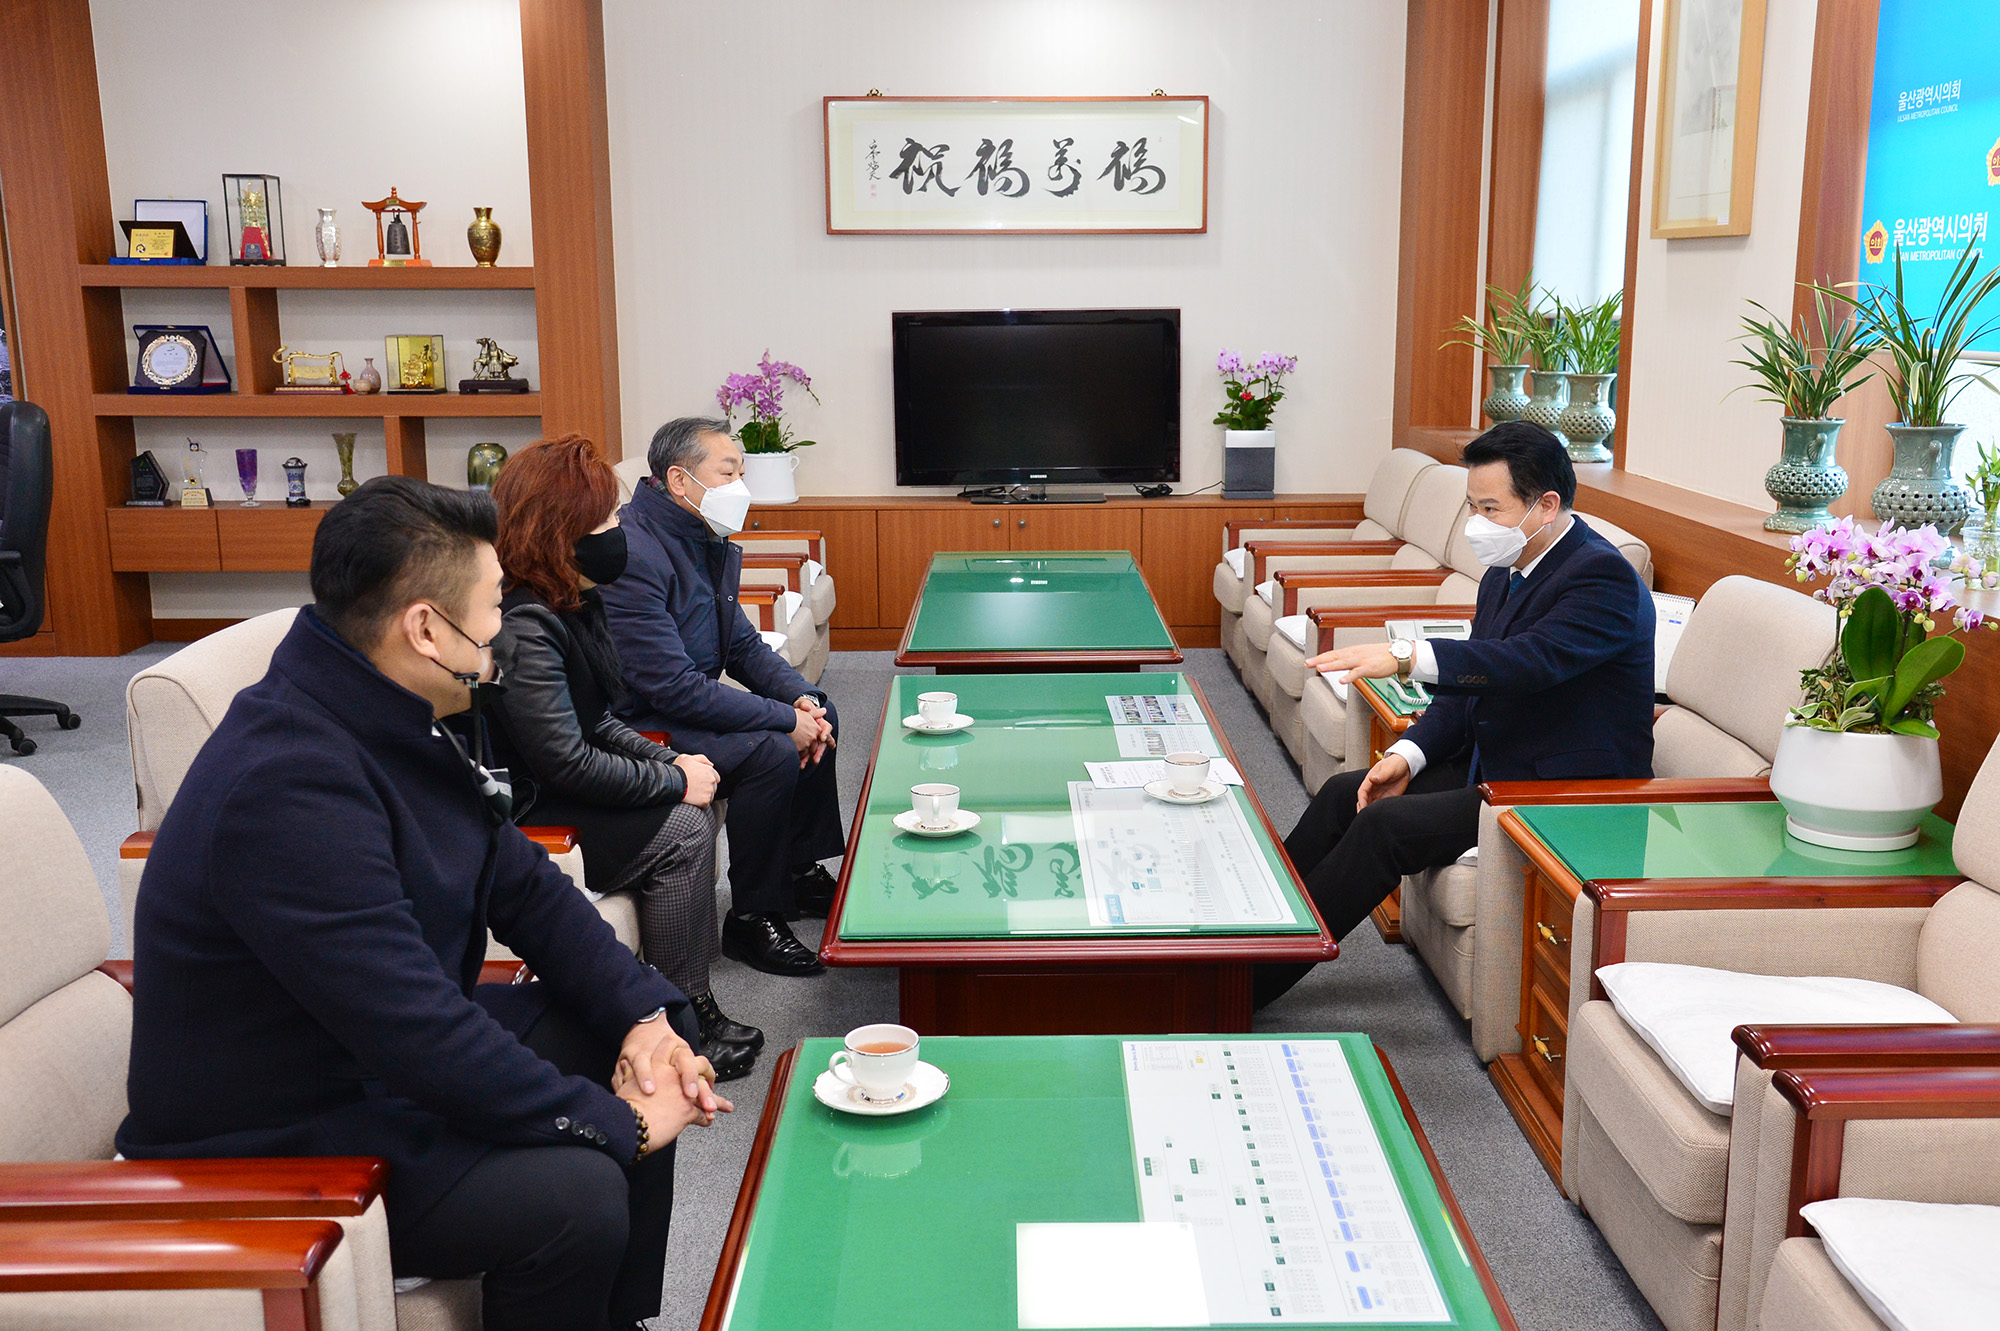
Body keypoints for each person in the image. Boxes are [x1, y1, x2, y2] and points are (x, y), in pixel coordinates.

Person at [118, 476, 731, 1331]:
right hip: (275, 1128)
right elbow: (414, 1031)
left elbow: (519, 880)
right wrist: (616, 1123)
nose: (499, 636)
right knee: (578, 1192)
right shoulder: (286, 784)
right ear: (424, 626)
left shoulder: (385, 701)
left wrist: (644, 1017)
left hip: (358, 1052)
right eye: (490, 611)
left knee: (650, 1029)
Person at [1256, 421, 1655, 1008]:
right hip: (1495, 760)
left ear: (1546, 504)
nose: (1476, 523)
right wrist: (1407, 754)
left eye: (1490, 507)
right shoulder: (1507, 567)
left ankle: (1252, 981)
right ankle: (1250, 930)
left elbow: (1526, 662)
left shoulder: (1603, 576)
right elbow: (1469, 688)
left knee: (1384, 829)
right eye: (1472, 505)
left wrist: (1405, 656)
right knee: (1348, 793)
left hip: (1559, 786)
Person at [488, 434, 763, 1081]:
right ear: (564, 530)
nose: (620, 531)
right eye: (607, 519)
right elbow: (565, 761)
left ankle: (692, 1005)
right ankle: (678, 1013)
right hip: (541, 808)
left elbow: (600, 720)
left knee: (697, 800)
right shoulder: (525, 624)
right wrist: (669, 778)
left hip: (571, 784)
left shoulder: (570, 601)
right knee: (683, 830)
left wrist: (675, 764)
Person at [598, 416, 844, 977]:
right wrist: (784, 720)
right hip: (644, 724)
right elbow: (672, 688)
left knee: (819, 710)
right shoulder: (635, 554)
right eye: (729, 471)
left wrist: (801, 699)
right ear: (681, 481)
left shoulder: (704, 536)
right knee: (771, 750)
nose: (742, 486)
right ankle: (753, 918)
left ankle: (798, 873)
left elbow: (742, 646)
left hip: (685, 701)